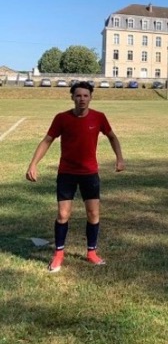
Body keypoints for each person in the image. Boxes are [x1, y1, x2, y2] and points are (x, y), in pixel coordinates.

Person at [26, 81, 125, 272]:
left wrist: (119, 158)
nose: (82, 99)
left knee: (93, 214)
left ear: (90, 97)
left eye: (85, 95)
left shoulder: (99, 117)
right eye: (78, 95)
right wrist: (33, 163)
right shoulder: (62, 118)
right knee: (63, 215)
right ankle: (59, 254)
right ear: (72, 97)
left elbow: (112, 136)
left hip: (90, 173)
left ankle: (91, 252)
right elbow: (47, 140)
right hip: (67, 173)